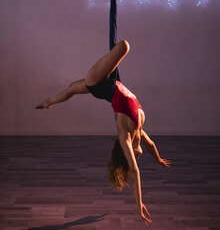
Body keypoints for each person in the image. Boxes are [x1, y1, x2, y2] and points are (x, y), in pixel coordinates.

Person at [36, 40, 171, 227]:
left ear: (126, 153)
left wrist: (139, 203)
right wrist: (158, 159)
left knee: (124, 46)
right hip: (107, 85)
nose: (138, 157)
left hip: (98, 83)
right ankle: (49, 101)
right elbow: (151, 145)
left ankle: (50, 101)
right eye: (138, 156)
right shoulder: (138, 131)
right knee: (71, 88)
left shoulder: (125, 136)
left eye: (134, 156)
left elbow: (134, 171)